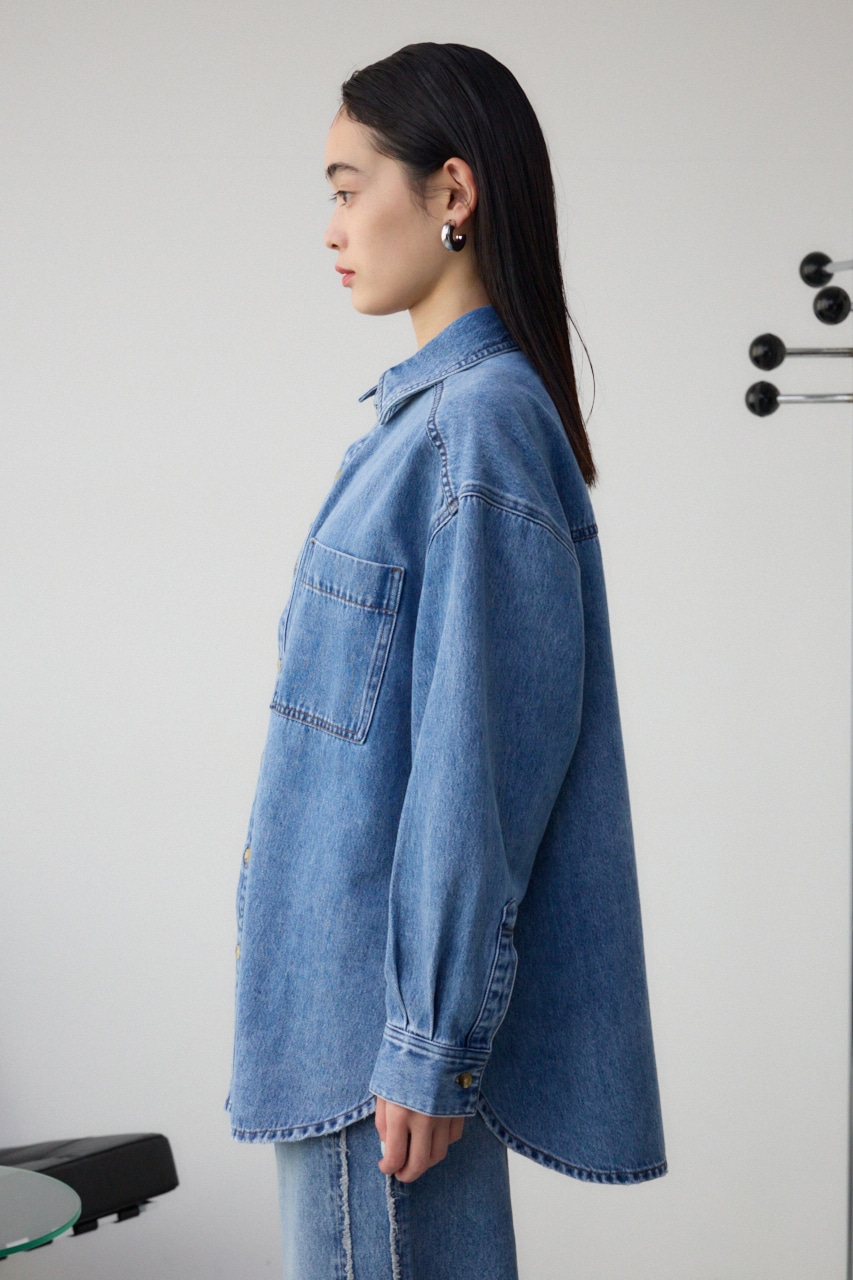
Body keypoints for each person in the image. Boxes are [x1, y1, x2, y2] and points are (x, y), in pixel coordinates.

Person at [226, 41, 666, 1280]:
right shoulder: (425, 427)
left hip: (374, 1061)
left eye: (347, 186)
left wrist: (425, 1042)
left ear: (451, 192)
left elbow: (475, 771)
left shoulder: (477, 432)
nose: (331, 227)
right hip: (345, 1043)